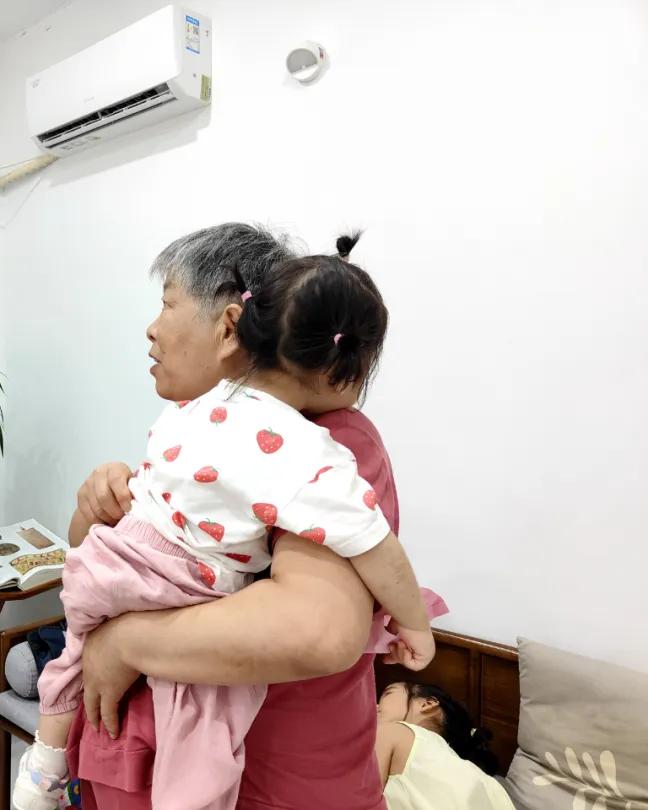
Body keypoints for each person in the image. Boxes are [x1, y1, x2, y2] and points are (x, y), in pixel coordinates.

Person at [63, 224, 410, 809]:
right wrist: (93, 506)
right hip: (143, 757)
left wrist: (122, 644)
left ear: (229, 327)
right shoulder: (202, 425)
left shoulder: (329, 442)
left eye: (168, 303)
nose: (152, 328)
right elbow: (94, 558)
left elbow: (316, 630)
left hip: (268, 782)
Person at [377, 682, 514, 809]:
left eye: (388, 693)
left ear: (427, 703)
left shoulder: (394, 731)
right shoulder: (486, 783)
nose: (376, 706)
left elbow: (365, 798)